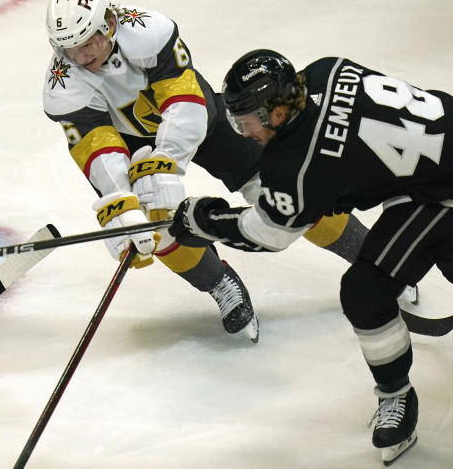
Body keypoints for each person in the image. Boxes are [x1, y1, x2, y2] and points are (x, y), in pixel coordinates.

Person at [168, 48, 453, 464]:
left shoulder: (299, 163)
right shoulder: (325, 69)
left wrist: (204, 220)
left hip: (439, 195)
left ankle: (396, 396)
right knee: (368, 288)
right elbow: (361, 144)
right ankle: (396, 396)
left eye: (246, 121)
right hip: (432, 175)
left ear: (276, 114)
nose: (242, 131)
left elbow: (267, 234)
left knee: (366, 291)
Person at [42, 0, 369, 342]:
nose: (79, 56)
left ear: (108, 23)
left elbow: (183, 102)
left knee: (285, 190)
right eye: (68, 48)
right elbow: (96, 145)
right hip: (132, 144)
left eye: (86, 43)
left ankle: (374, 263)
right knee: (152, 224)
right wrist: (121, 203)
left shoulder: (148, 32)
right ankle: (220, 284)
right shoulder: (63, 83)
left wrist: (167, 161)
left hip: (199, 118)